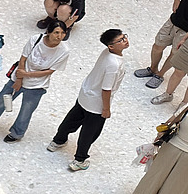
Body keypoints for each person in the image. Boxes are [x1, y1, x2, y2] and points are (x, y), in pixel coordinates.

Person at [0, 19, 73, 141]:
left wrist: (27, 74)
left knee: (27, 109)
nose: (59, 36)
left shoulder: (64, 51)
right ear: (49, 32)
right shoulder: (36, 39)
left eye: (62, 33)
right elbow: (23, 59)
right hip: (20, 75)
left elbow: (49, 71)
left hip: (37, 84)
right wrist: (19, 78)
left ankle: (17, 133)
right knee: (4, 97)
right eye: (56, 32)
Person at [49, 28, 130, 169]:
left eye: (124, 37)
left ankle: (58, 140)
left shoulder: (106, 53)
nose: (125, 41)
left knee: (71, 120)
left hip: (85, 95)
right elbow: (106, 89)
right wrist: (106, 109)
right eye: (121, 40)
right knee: (89, 133)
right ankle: (79, 160)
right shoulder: (115, 65)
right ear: (111, 46)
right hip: (96, 104)